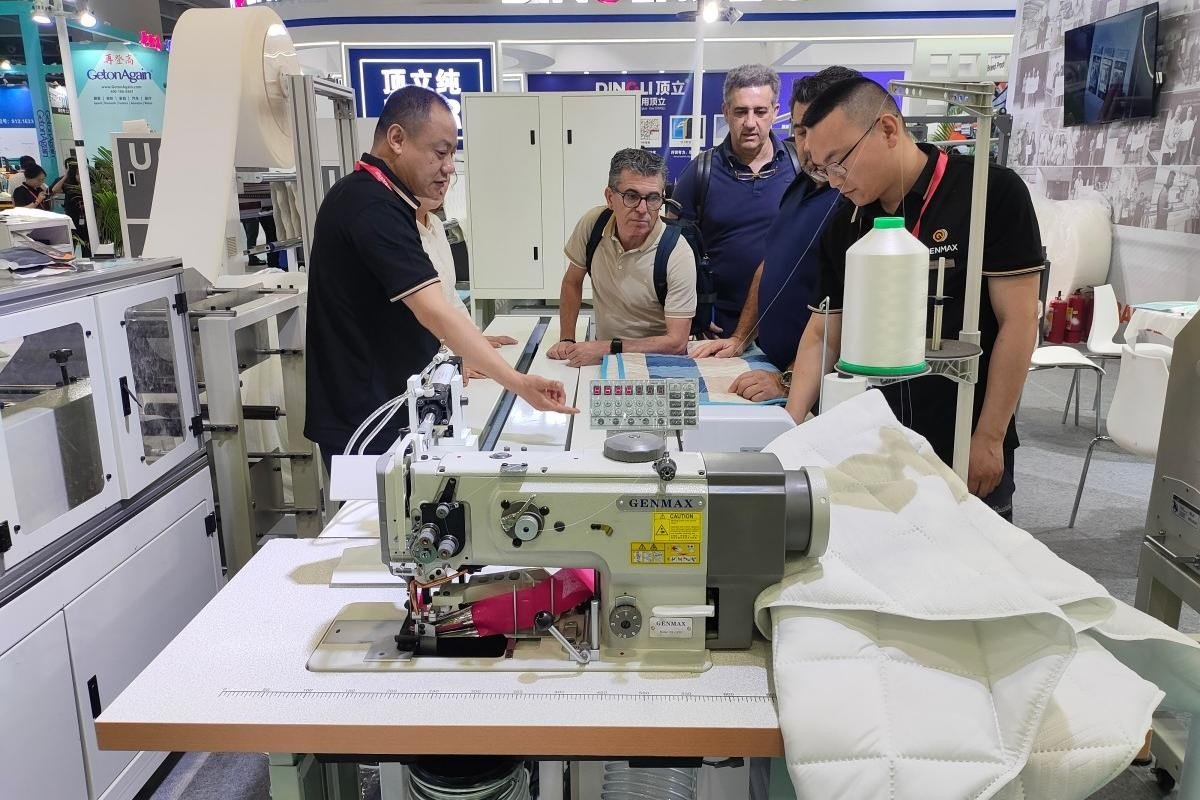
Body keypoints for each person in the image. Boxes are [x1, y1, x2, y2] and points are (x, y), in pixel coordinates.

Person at [785, 77, 1043, 521]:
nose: (832, 181)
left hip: (960, 427)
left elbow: (1019, 322)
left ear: (887, 129)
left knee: (970, 562)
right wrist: (786, 432)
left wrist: (988, 436)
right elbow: (823, 333)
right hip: (872, 439)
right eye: (821, 168)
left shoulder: (988, 194)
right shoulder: (846, 223)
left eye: (839, 162)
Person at [304, 86, 576, 467]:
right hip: (365, 421)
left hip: (391, 407)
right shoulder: (369, 206)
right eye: (441, 151)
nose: (450, 167)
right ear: (397, 139)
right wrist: (519, 383)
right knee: (375, 522)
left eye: (452, 153)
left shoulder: (385, 202)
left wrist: (468, 349)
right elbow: (435, 311)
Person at [691, 66, 857, 403]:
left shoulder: (854, 201)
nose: (810, 146)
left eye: (819, 132)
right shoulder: (798, 186)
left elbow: (840, 314)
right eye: (801, 131)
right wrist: (741, 338)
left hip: (814, 384)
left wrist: (788, 379)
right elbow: (770, 265)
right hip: (765, 360)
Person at [671, 64, 800, 336]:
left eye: (760, 111)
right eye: (741, 111)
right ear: (726, 112)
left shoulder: (800, 166)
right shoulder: (700, 172)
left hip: (788, 321)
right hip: (719, 325)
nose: (750, 123)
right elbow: (673, 250)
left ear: (775, 112)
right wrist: (692, 313)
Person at [547, 148, 697, 368]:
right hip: (603, 354)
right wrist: (567, 339)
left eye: (653, 198)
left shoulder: (676, 252)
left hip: (657, 361)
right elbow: (572, 281)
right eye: (631, 196)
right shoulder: (593, 225)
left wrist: (608, 348)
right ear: (610, 197)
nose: (642, 209)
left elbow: (676, 343)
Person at [413, 181, 518, 368]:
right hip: (423, 359)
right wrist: (457, 354)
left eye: (446, 179)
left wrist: (473, 340)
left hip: (444, 351)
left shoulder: (435, 224)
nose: (443, 184)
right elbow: (427, 313)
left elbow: (450, 296)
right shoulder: (401, 232)